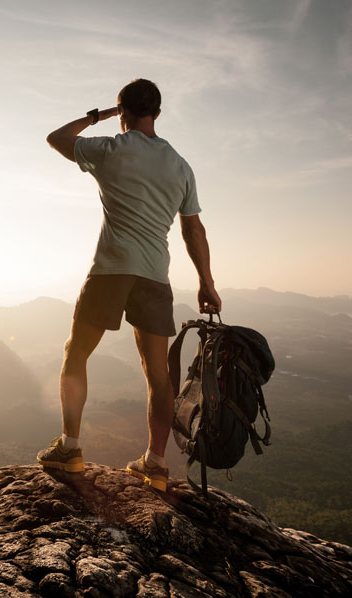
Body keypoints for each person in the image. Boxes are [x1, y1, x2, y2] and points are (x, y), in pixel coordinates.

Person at [36, 78, 221, 492]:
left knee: (76, 353)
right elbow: (195, 231)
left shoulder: (110, 149)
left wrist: (96, 116)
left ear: (123, 111)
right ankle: (155, 463)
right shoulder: (180, 166)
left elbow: (55, 138)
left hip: (112, 269)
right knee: (158, 374)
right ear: (157, 112)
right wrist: (206, 283)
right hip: (156, 274)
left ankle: (70, 449)